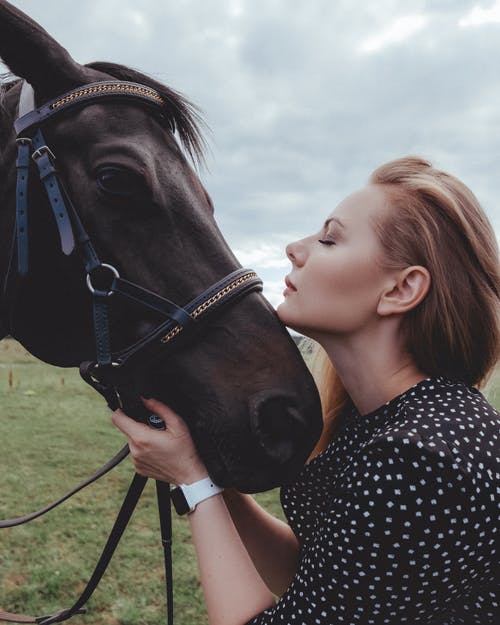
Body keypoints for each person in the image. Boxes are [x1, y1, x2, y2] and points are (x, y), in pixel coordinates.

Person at [112, 156, 500, 625]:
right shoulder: (376, 419)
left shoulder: (418, 457)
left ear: (401, 290)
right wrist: (201, 474)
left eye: (330, 239)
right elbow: (320, 578)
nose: (295, 248)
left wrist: (195, 484)